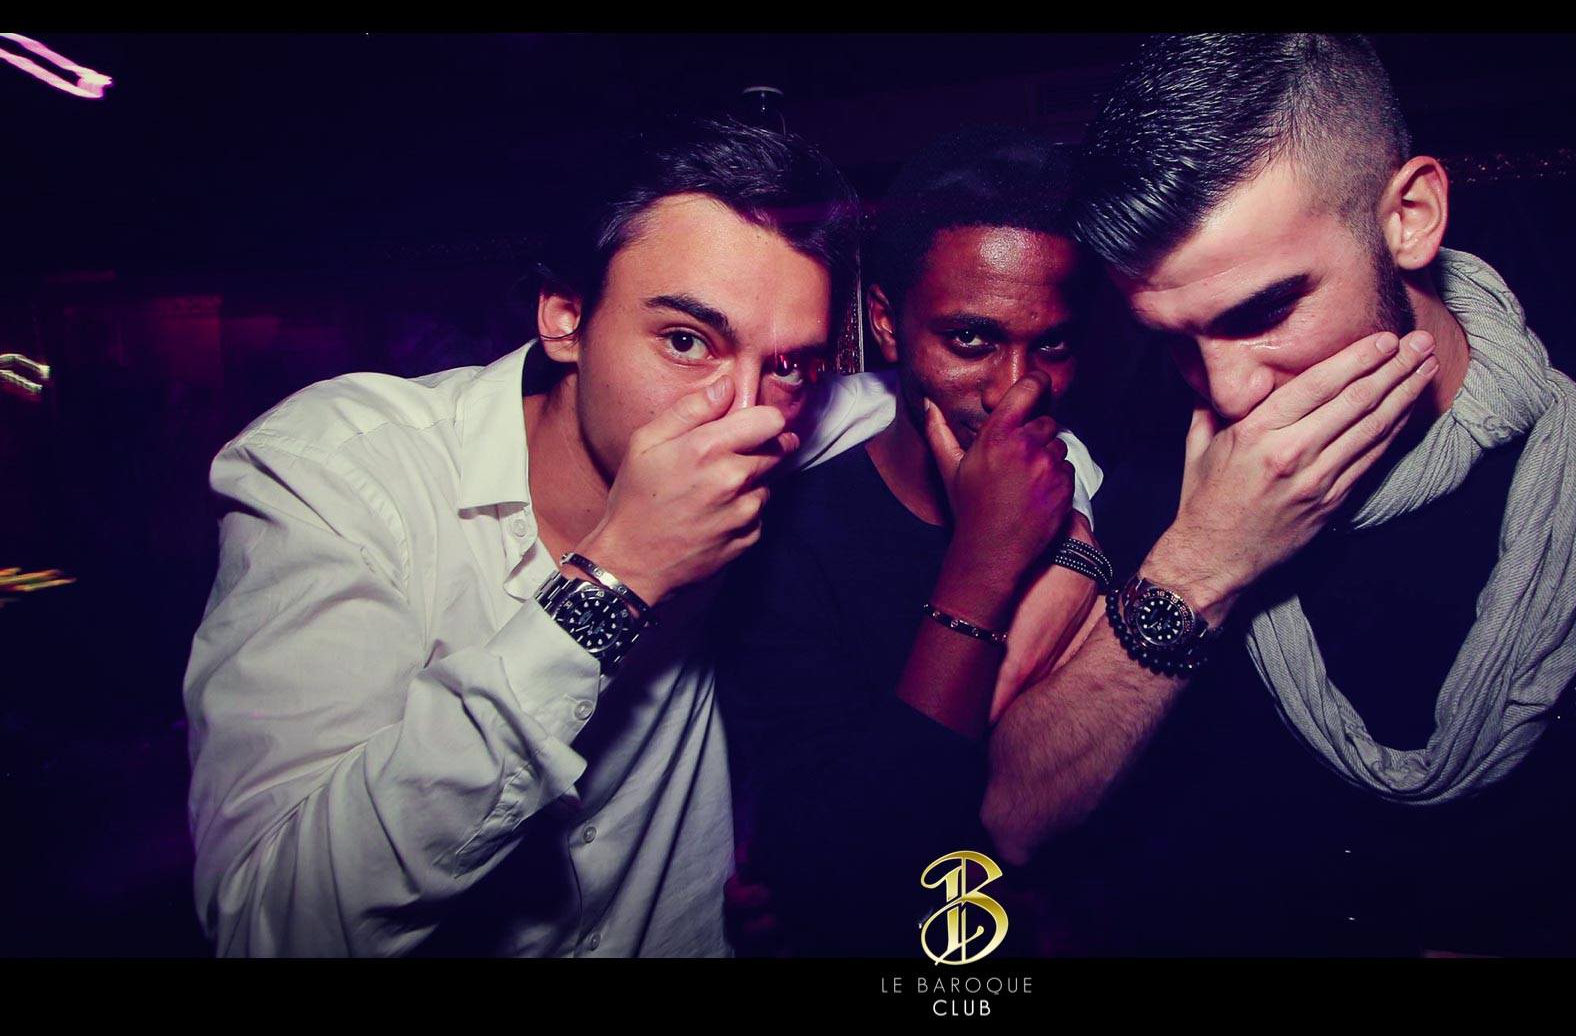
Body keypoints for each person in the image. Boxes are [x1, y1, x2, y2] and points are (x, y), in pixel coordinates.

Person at [981, 34, 1576, 956]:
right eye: (1174, 340)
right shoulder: (1167, 486)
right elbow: (1015, 820)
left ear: (1411, 215)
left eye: (1265, 311)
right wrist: (1202, 565)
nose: (1228, 392)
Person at [182, 117, 1095, 957]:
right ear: (565, 315)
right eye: (686, 341)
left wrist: (1075, 545)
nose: (738, 411)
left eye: (788, 364)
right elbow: (271, 927)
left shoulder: (797, 427)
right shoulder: (347, 475)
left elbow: (1000, 428)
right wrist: (614, 579)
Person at [716, 129, 1107, 957]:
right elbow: (840, 875)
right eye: (971, 340)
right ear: (889, 325)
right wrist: (983, 564)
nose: (1015, 390)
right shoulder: (783, 543)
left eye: (1052, 345)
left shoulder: (1122, 509)